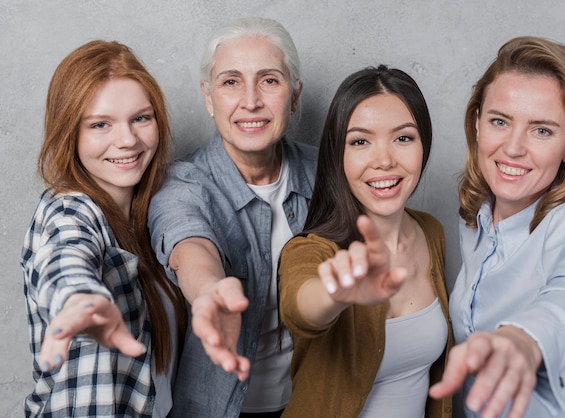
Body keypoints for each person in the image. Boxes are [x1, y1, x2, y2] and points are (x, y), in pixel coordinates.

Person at [429, 36, 565, 418]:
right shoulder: (476, 221)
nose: (514, 147)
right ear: (477, 124)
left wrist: (522, 339)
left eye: (542, 130)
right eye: (500, 121)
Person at [147, 17, 317, 417]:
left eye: (270, 80)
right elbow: (188, 243)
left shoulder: (328, 170)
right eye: (230, 82)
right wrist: (207, 292)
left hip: (311, 403)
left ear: (295, 95)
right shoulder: (182, 184)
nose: (252, 100)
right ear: (208, 98)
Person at [21, 40, 188, 417]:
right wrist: (80, 300)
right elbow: (65, 257)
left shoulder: (154, 217)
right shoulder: (68, 211)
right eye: (100, 124)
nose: (127, 139)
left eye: (141, 118)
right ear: (70, 133)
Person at [278, 65, 453, 418]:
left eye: (403, 138)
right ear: (337, 156)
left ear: (424, 144)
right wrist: (336, 294)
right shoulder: (310, 250)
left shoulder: (431, 231)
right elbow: (301, 307)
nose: (384, 160)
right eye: (360, 141)